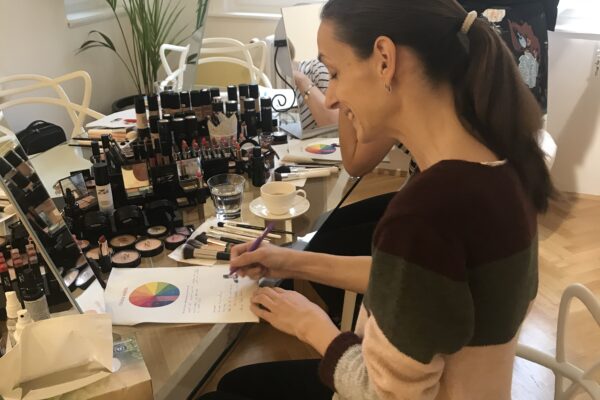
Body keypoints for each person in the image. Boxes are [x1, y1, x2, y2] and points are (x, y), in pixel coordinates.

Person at [199, 0, 554, 398]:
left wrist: (311, 326)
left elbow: (384, 394)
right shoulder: (503, 168)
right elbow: (416, 282)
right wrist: (288, 261)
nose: (330, 98)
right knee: (233, 386)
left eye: (335, 73)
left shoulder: (426, 213)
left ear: (385, 59)